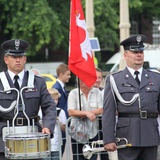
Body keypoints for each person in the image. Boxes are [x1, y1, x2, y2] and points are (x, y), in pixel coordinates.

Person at [102, 34, 160, 160]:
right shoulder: (114, 80)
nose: (139, 55)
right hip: (127, 137)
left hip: (150, 135)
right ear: (125, 55)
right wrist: (108, 139)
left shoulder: (156, 78)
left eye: (141, 52)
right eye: (134, 52)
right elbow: (109, 112)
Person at [0, 39, 57, 160]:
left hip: (32, 137)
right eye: (13, 57)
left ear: (25, 59)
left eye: (21, 56)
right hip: (3, 140)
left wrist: (48, 126)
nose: (18, 60)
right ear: (6, 60)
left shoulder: (38, 82)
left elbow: (49, 106)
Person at [68, 79, 103, 160]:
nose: (80, 82)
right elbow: (71, 111)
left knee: (93, 157)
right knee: (78, 157)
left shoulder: (97, 92)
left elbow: (101, 109)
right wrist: (86, 114)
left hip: (93, 132)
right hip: (77, 133)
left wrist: (87, 113)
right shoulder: (73, 93)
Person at [41, 88, 67, 160]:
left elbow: (64, 128)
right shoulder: (40, 111)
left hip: (56, 145)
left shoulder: (60, 111)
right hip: (44, 145)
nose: (55, 102)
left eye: (57, 99)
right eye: (53, 99)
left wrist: (59, 122)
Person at [52, 63, 71, 155]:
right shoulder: (56, 88)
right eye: (67, 74)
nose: (70, 77)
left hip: (62, 123)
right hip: (59, 124)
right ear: (60, 74)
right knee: (59, 150)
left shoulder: (61, 87)